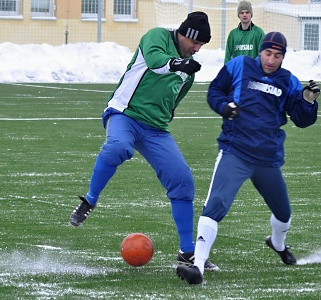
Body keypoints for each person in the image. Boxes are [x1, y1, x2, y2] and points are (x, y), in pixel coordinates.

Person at [69, 11, 219, 271]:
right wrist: (177, 64)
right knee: (118, 147)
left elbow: (175, 100)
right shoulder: (157, 37)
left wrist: (166, 110)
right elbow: (155, 61)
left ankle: (187, 252)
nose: (197, 49)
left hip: (156, 129)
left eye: (202, 45)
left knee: (182, 180)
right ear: (183, 34)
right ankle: (90, 200)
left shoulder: (189, 72)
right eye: (196, 42)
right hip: (124, 114)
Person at [177, 31, 321, 284]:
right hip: (236, 151)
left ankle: (278, 244)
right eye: (268, 53)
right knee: (215, 205)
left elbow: (302, 120)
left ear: (283, 57)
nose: (271, 60)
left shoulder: (289, 81)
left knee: (284, 213)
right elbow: (214, 91)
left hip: (267, 157)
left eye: (278, 55)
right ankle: (197, 266)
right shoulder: (239, 65)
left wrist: (308, 101)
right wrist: (224, 106)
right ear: (260, 52)